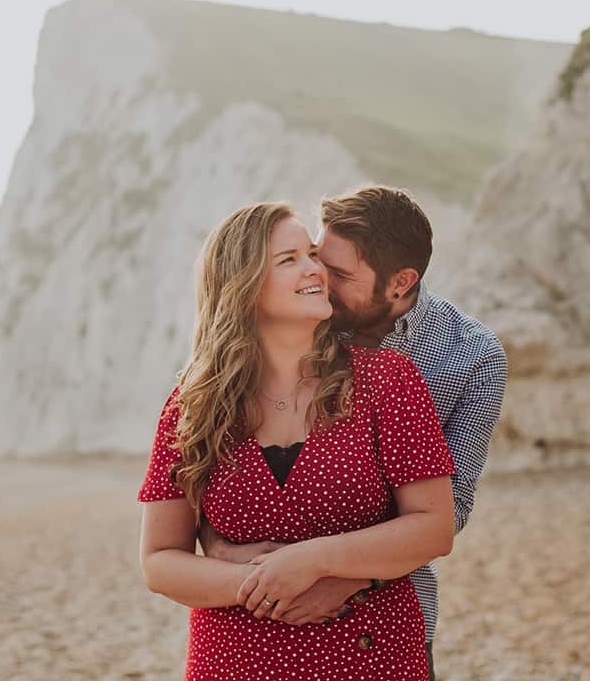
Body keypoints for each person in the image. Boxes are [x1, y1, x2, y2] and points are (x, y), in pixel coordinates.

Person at [138, 201, 457, 680]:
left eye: (312, 254)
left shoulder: (387, 379)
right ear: (241, 284)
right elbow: (160, 561)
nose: (315, 269)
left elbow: (434, 527)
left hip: (371, 657)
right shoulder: (193, 404)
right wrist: (259, 580)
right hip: (233, 663)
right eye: (289, 259)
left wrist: (313, 562)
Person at [200, 185, 509, 680]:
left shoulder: (471, 355)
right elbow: (219, 462)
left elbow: (452, 508)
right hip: (253, 613)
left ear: (400, 283)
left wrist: (344, 575)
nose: (319, 278)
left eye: (340, 274)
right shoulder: (307, 317)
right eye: (319, 259)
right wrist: (218, 545)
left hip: (386, 613)